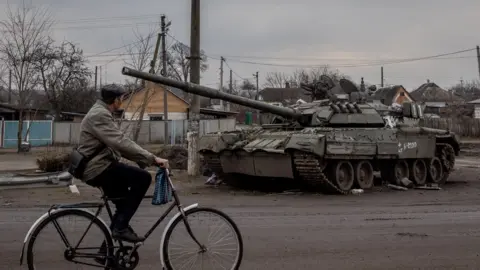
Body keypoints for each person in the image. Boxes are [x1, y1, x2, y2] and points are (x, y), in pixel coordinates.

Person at [76, 83, 168, 244]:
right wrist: (152, 158)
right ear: (115, 99)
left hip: (98, 165)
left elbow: (116, 145)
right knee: (143, 178)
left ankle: (107, 253)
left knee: (123, 205)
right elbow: (120, 142)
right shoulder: (99, 115)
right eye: (121, 98)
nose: (122, 101)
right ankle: (120, 229)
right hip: (97, 168)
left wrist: (141, 159)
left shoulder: (101, 112)